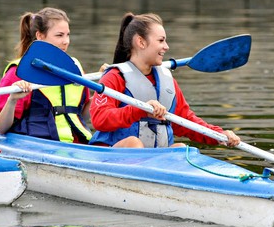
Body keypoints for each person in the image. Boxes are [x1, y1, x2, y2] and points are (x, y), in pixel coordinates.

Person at [89, 12, 241, 149]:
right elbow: (99, 119)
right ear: (141, 42)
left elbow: (186, 122)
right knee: (133, 144)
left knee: (181, 149)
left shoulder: (167, 80)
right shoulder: (115, 77)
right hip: (110, 156)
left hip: (154, 159)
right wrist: (140, 109)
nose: (166, 47)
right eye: (161, 41)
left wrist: (219, 135)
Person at [0, 7, 92, 144]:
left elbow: (83, 116)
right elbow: (0, 128)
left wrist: (102, 91)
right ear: (40, 36)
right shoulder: (18, 73)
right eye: (59, 35)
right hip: (38, 144)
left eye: (68, 34)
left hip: (77, 145)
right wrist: (12, 100)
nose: (66, 41)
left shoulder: (75, 68)